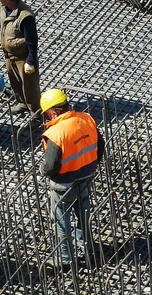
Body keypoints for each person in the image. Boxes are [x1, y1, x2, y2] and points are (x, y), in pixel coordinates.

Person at [38, 89, 104, 270]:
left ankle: (66, 260)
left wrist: (43, 170)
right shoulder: (86, 119)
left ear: (52, 112)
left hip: (64, 184)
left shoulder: (56, 133)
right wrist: (87, 165)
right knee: (83, 214)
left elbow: (50, 166)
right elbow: (101, 147)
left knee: (61, 219)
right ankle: (89, 251)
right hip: (86, 176)